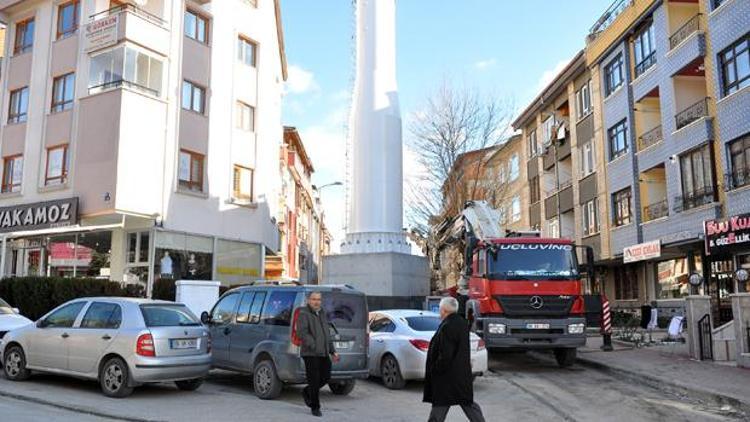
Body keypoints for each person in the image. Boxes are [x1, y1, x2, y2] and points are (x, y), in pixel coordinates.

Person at [423, 297, 485, 422]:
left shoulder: (448, 326)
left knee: (441, 404)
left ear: (444, 310)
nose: (439, 312)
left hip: (447, 376)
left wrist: (435, 369)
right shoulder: (461, 323)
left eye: (440, 309)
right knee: (466, 402)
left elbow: (446, 354)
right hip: (460, 373)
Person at [296, 291, 340, 417]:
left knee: (326, 377)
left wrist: (332, 351)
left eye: (319, 299)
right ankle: (315, 407)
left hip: (324, 352)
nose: (316, 302)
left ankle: (307, 391)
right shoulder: (304, 313)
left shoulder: (322, 314)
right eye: (314, 299)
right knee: (314, 380)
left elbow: (327, 334)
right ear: (309, 300)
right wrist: (314, 345)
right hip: (310, 353)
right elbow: (302, 333)